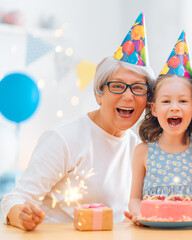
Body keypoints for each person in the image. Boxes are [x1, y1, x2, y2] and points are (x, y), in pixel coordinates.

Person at [1, 13, 155, 230]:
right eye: (118, 86)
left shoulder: (137, 147)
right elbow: (14, 199)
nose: (129, 96)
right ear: (99, 94)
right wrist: (21, 215)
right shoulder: (64, 138)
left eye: (138, 88)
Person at [124, 31, 192, 225]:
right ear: (154, 109)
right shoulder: (142, 151)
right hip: (150, 231)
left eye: (183, 100)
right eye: (166, 101)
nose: (175, 107)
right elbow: (134, 198)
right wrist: (138, 214)